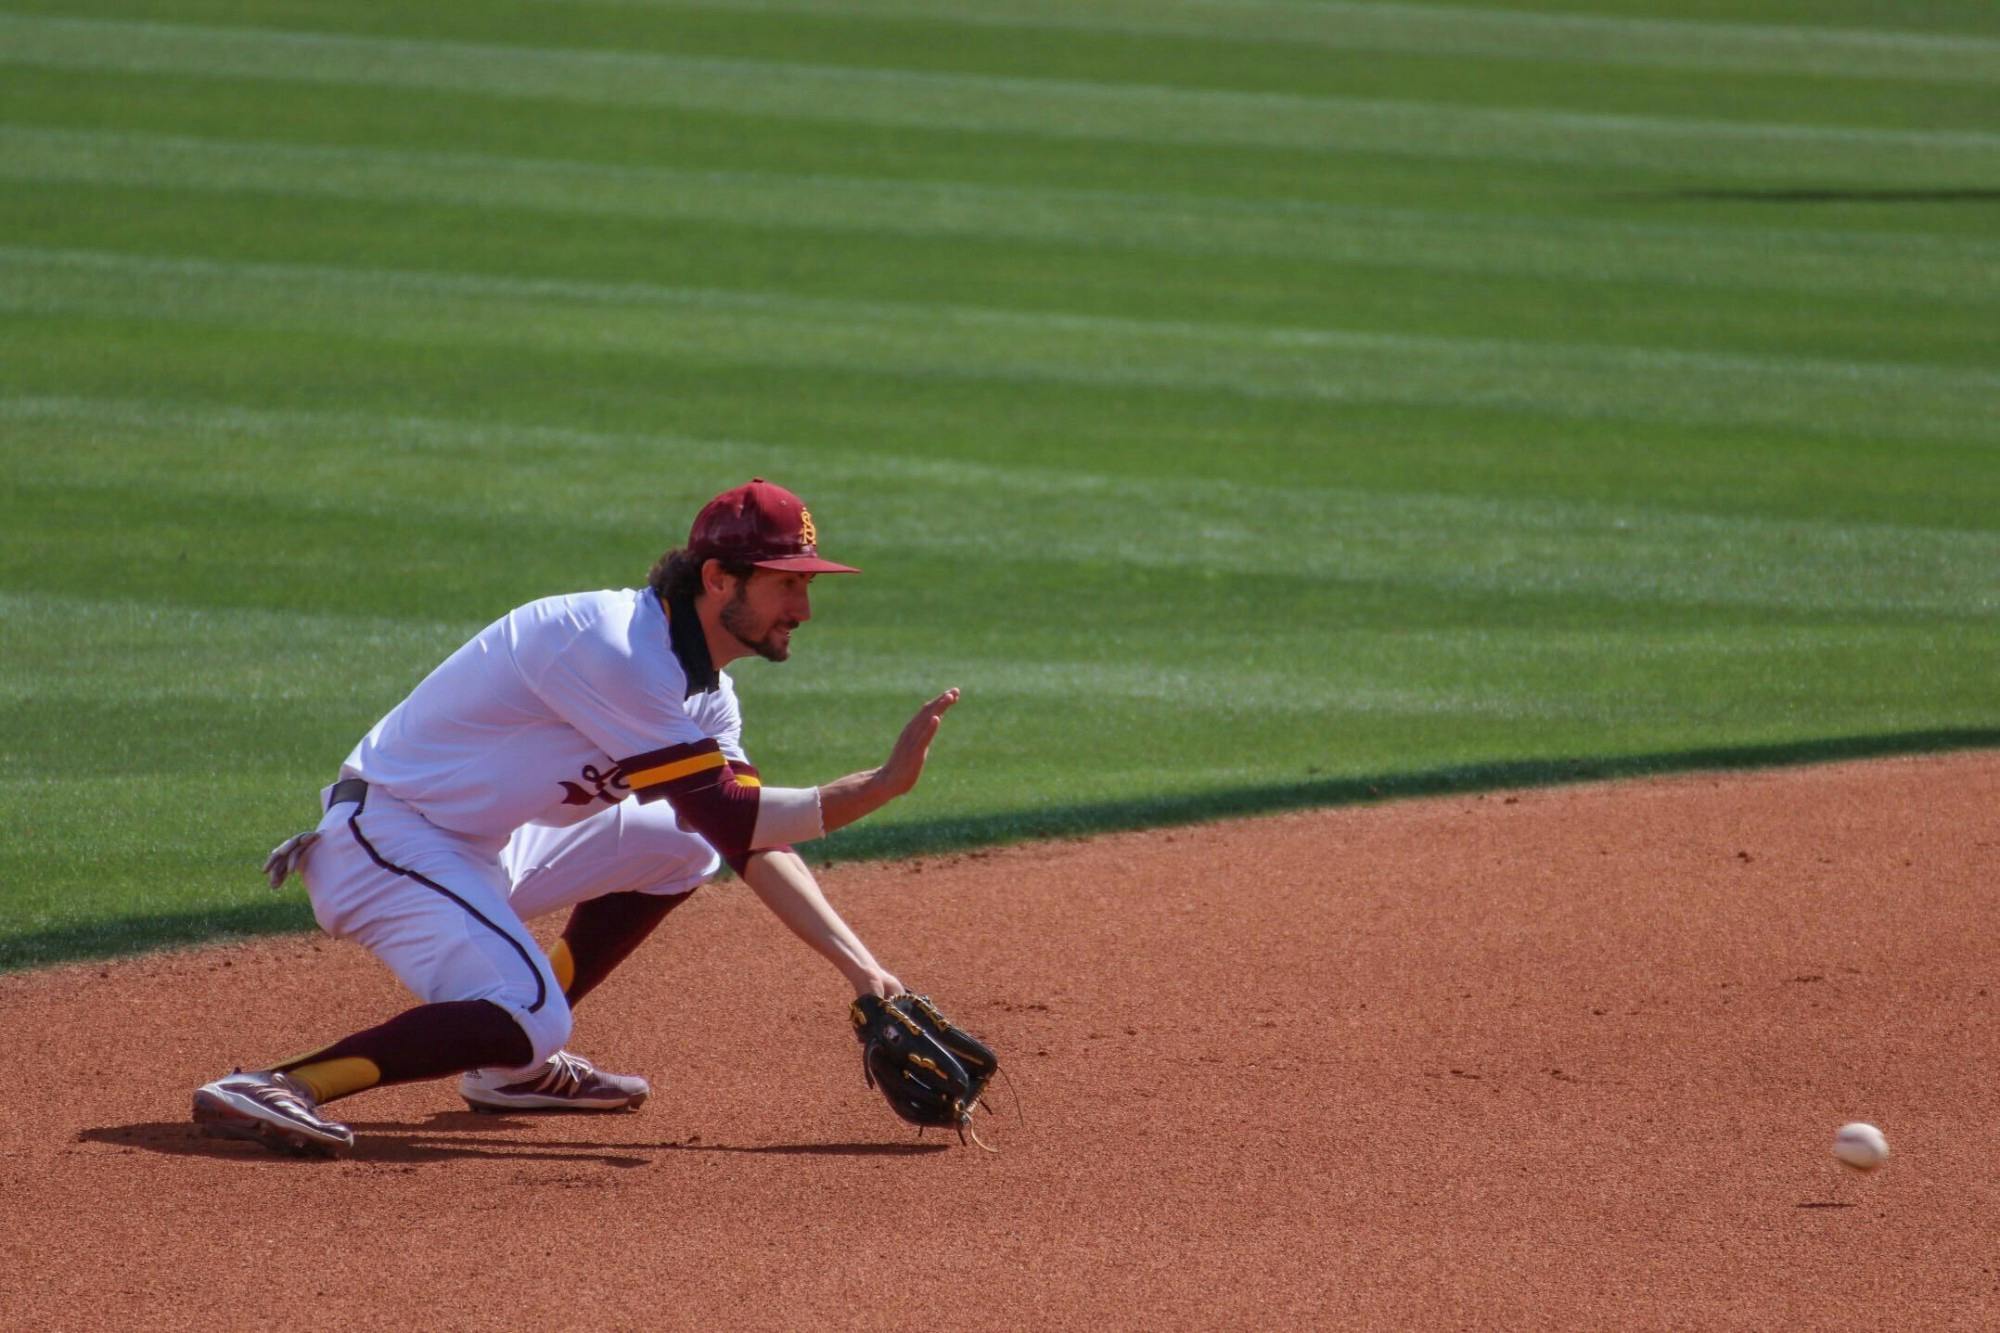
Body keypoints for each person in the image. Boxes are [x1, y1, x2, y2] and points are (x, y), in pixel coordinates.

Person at [192, 479, 959, 1156]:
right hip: (385, 843)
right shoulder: (614, 647)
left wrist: (865, 971)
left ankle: (509, 1068)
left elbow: (742, 835)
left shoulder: (707, 694)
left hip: (478, 848)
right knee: (534, 1013)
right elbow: (734, 814)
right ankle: (279, 1084)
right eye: (787, 583)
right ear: (720, 577)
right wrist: (875, 789)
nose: (805, 607)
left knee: (684, 849)